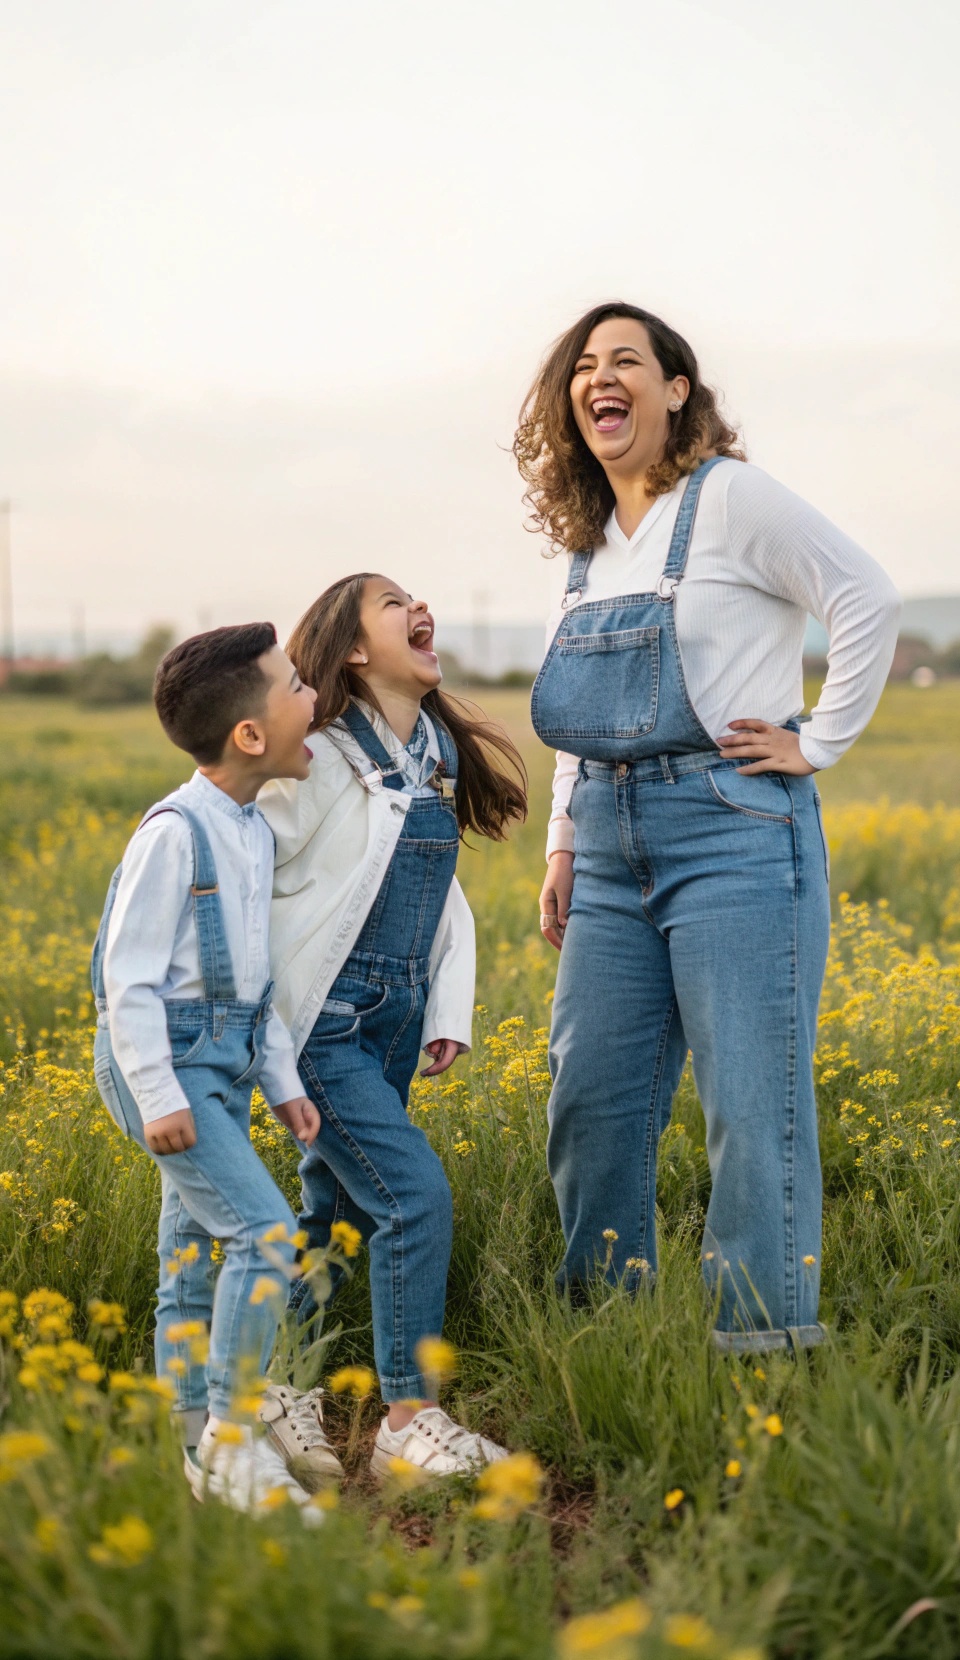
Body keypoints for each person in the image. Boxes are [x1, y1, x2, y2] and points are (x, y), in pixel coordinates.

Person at [517, 302, 901, 1352]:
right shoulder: (589, 543)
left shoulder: (728, 499)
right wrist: (561, 837)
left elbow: (864, 594)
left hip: (732, 828)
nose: (603, 377)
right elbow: (580, 708)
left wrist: (816, 741)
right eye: (584, 366)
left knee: (749, 1102)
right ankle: (608, 1333)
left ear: (675, 388)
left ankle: (760, 1351)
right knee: (589, 1096)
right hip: (604, 837)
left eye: (627, 360)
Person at [258, 573, 528, 1474]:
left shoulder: (432, 752)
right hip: (324, 1027)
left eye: (419, 597)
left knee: (332, 1214)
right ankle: (410, 1426)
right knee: (411, 1199)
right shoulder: (320, 755)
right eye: (393, 602)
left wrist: (445, 1006)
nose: (423, 608)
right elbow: (252, 869)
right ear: (354, 651)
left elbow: (438, 895)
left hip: (396, 1018)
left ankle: (275, 1391)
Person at [92, 623, 334, 1513]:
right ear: (250, 735)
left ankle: (197, 1454)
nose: (314, 701)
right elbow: (130, 979)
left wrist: (283, 1081)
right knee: (265, 1238)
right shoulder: (174, 831)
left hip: (224, 1062)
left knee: (191, 1258)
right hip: (168, 1064)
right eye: (297, 689)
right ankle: (234, 1441)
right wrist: (157, 1092)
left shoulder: (250, 831)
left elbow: (253, 975)